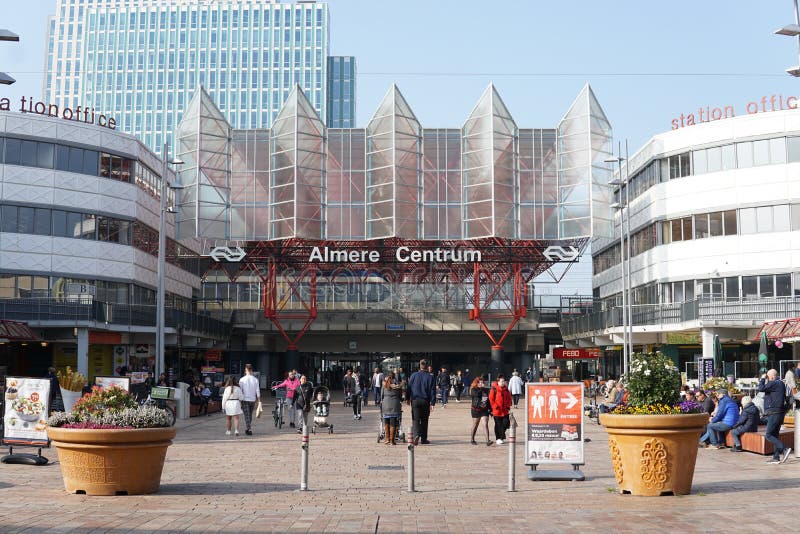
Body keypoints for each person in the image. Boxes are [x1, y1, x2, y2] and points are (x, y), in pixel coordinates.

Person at [758, 369, 792, 464]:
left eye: (768, 377)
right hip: (778, 412)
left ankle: (784, 448)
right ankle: (776, 457)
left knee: (768, 435)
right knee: (775, 435)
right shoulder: (780, 384)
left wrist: (762, 379)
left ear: (772, 376)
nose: (767, 379)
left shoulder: (774, 383)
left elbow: (760, 388)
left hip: (774, 413)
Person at [407, 359, 436, 445]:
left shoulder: (413, 375)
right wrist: (432, 403)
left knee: (415, 419)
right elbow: (432, 391)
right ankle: (424, 439)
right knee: (424, 420)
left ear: (420, 366)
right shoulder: (430, 377)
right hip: (425, 401)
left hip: (415, 400)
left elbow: (409, 388)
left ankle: (416, 435)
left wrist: (408, 398)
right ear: (427, 367)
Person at [489, 375, 512, 445]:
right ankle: (498, 438)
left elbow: (509, 399)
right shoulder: (494, 389)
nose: (503, 383)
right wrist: (495, 407)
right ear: (498, 382)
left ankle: (501, 436)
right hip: (497, 411)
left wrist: (508, 406)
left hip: (505, 411)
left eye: (504, 381)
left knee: (506, 423)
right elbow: (491, 399)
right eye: (501, 381)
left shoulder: (506, 389)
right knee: (498, 425)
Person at [469, 377, 492, 446]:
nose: (482, 384)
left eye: (482, 382)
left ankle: (488, 441)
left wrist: (490, 409)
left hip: (484, 410)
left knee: (485, 423)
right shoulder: (473, 390)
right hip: (476, 409)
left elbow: (489, 399)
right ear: (477, 383)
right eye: (480, 382)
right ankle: (472, 439)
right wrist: (481, 389)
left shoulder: (485, 390)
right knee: (475, 424)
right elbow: (477, 394)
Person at [238, 363, 260, 436]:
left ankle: (249, 428)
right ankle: (248, 428)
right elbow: (257, 391)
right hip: (253, 400)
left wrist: (239, 400)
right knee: (249, 415)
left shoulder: (242, 380)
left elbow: (240, 391)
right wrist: (259, 400)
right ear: (251, 370)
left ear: (246, 370)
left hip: (245, 399)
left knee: (246, 415)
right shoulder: (255, 379)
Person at [380, 373, 402, 445]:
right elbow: (400, 396)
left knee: (386, 422)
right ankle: (392, 440)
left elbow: (381, 396)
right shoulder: (397, 385)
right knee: (393, 423)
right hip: (394, 405)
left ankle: (387, 439)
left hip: (385, 405)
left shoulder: (384, 385)